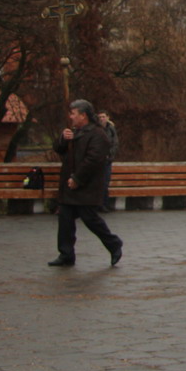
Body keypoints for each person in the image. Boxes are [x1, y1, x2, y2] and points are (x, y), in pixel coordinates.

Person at [48, 99, 123, 267]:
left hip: (87, 186)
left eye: (73, 113)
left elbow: (93, 160)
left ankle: (113, 244)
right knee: (65, 220)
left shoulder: (98, 135)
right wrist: (63, 139)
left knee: (90, 219)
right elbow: (59, 149)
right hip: (70, 186)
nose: (70, 117)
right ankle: (66, 254)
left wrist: (78, 178)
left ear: (83, 115)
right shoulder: (75, 132)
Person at [97, 110, 117, 211]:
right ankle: (97, 204)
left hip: (107, 160)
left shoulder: (111, 129)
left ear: (107, 117)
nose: (101, 119)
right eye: (100, 117)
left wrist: (110, 155)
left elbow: (115, 143)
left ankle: (104, 204)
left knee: (105, 182)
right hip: (97, 160)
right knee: (97, 183)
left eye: (103, 117)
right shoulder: (96, 129)